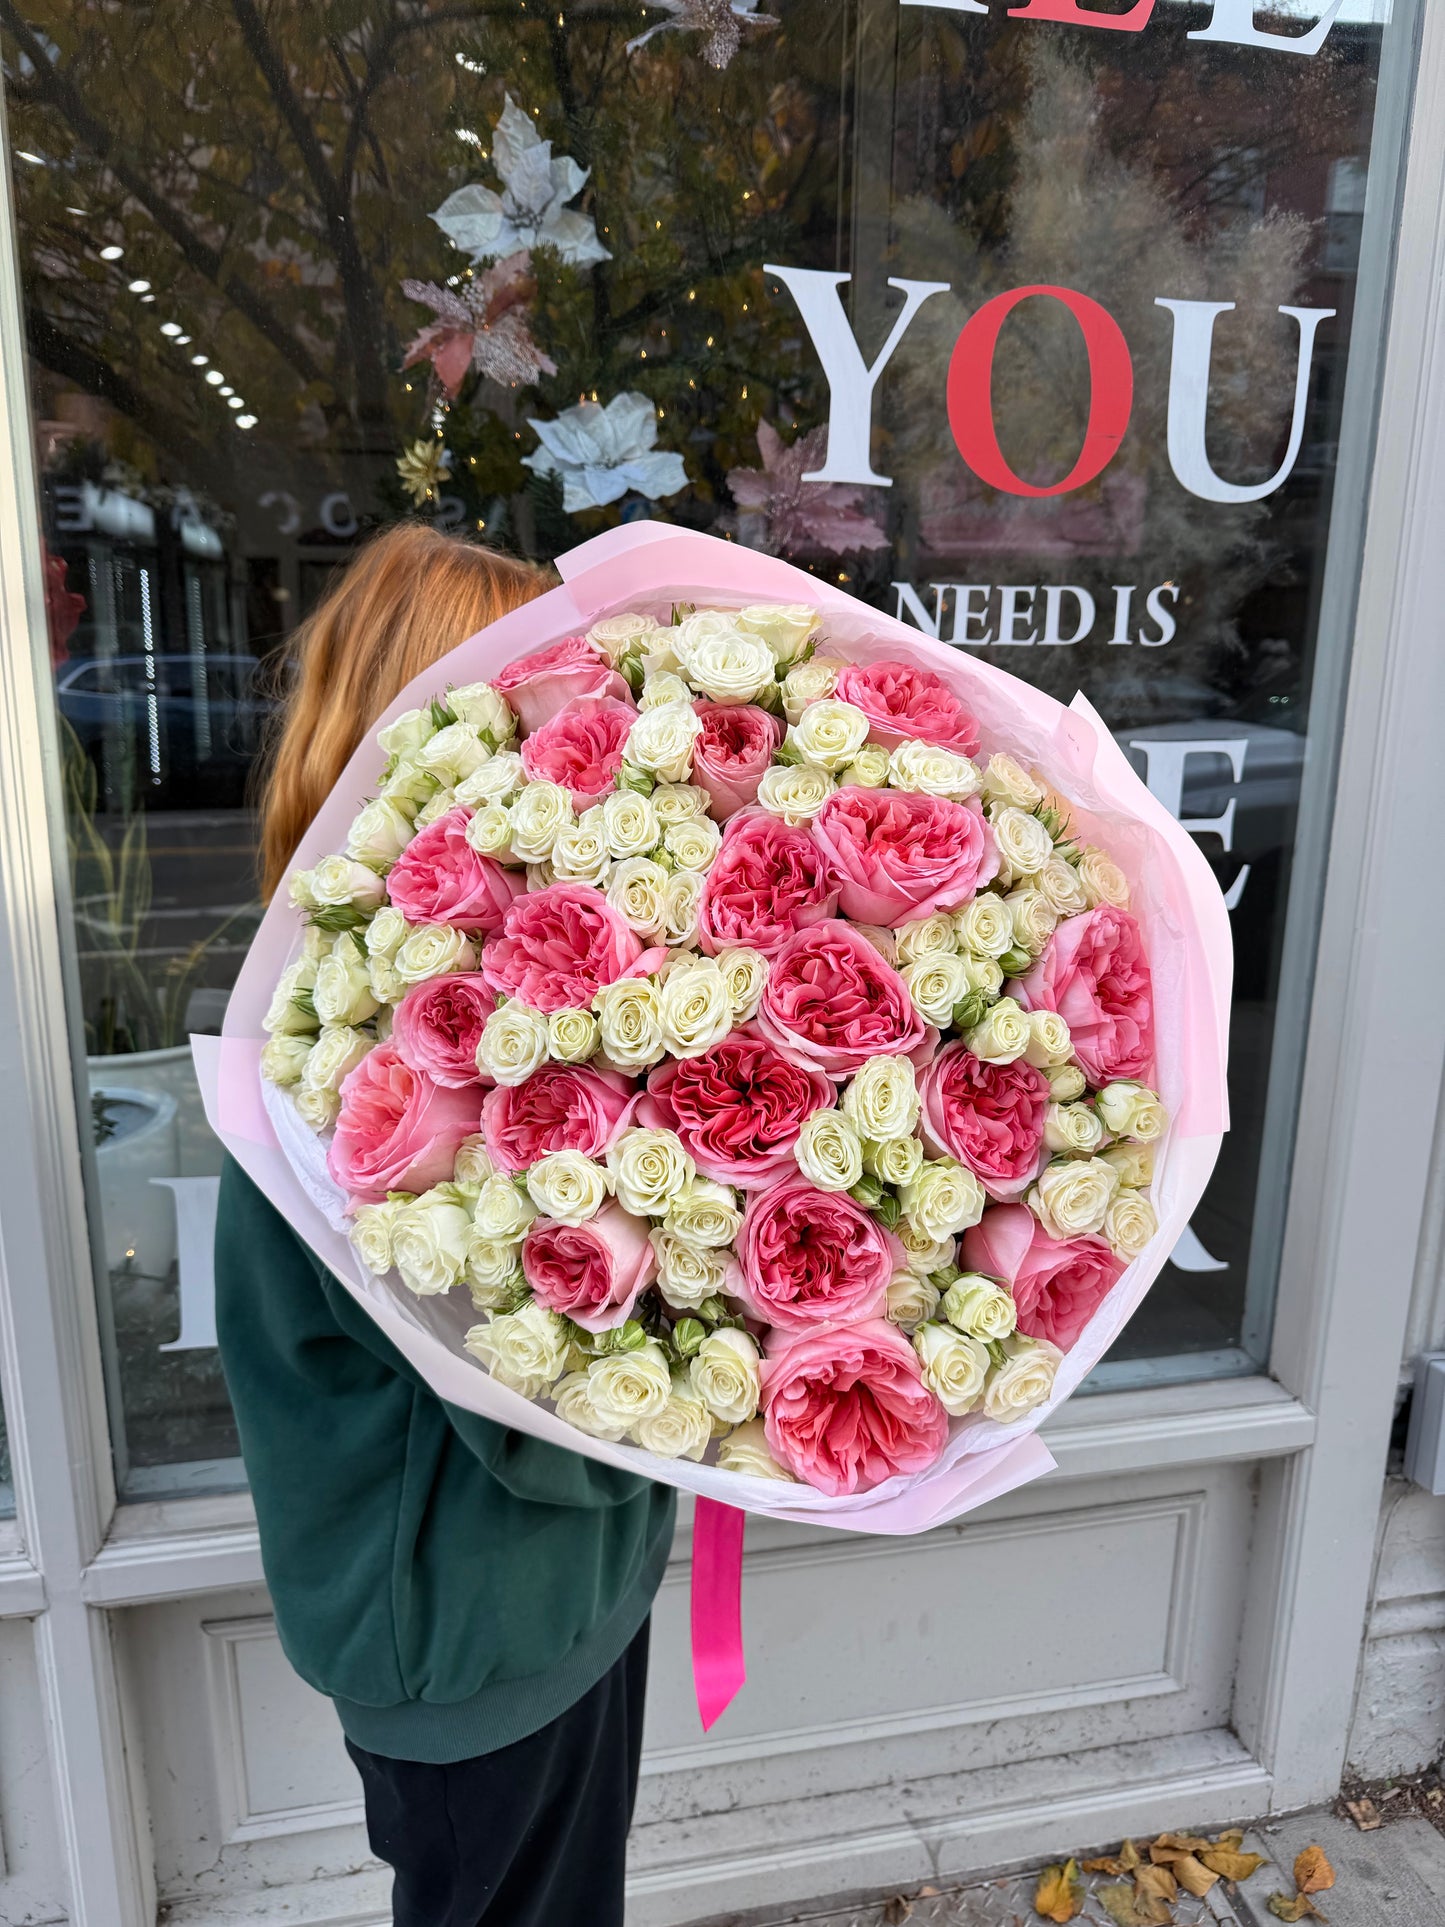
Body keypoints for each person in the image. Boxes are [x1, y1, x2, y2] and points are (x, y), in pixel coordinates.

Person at [215, 523, 676, 1927]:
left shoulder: (414, 1012)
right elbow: (516, 1401)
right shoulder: (359, 1065)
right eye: (539, 702)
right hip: (471, 1642)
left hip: (542, 1612)